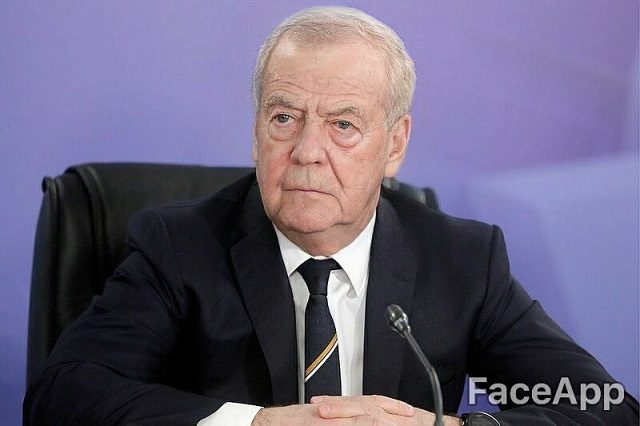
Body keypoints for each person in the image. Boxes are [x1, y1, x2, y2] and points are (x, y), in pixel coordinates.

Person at [24, 6, 638, 426]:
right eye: (284, 117)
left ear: (394, 145)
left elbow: (602, 406)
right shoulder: (181, 246)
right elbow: (62, 394)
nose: (307, 151)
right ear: (257, 130)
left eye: (343, 124)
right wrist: (258, 424)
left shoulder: (461, 261)